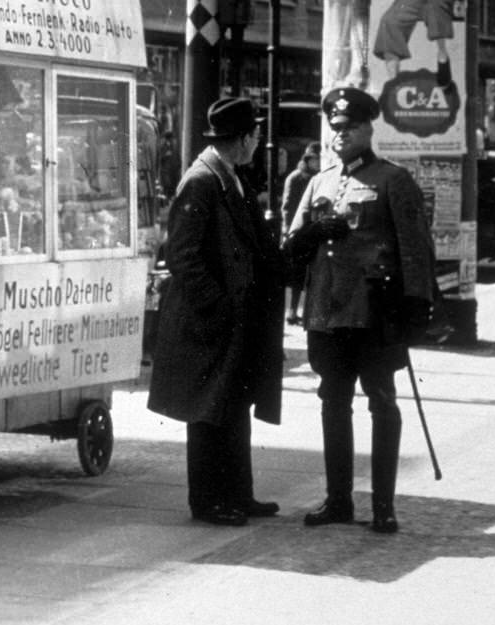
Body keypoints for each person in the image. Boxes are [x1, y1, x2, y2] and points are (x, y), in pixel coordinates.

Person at [283, 87, 435, 535]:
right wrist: (311, 235)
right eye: (335, 130)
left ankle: (384, 506)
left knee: (382, 401)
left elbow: (415, 250)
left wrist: (416, 310)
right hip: (329, 314)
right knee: (333, 402)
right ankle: (338, 500)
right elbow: (291, 249)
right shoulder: (318, 183)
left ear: (369, 129)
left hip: (374, 313)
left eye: (349, 129)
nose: (340, 137)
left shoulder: (393, 180)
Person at [146, 97, 286, 527]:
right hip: (209, 323)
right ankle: (208, 501)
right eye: (256, 135)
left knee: (233, 407)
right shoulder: (203, 180)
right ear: (242, 139)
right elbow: (182, 256)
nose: (258, 142)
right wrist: (219, 307)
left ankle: (238, 495)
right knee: (208, 413)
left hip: (231, 321)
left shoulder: (229, 176)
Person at [281, 141, 323, 325]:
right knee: (297, 274)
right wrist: (288, 230)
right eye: (314, 159)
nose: (317, 162)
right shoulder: (295, 178)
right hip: (299, 231)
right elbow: (288, 207)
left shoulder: (320, 178)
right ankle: (292, 311)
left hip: (313, 230)